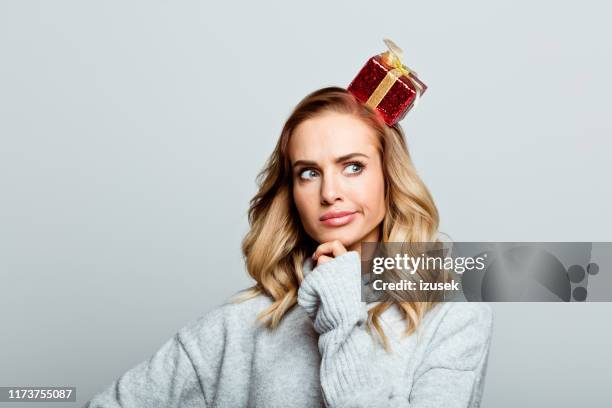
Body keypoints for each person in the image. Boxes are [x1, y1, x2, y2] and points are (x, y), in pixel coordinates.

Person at [84, 87, 493, 408]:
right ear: (291, 190)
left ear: (389, 174)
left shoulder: (452, 302)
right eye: (309, 173)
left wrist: (342, 311)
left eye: (353, 166)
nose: (330, 192)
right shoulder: (243, 323)